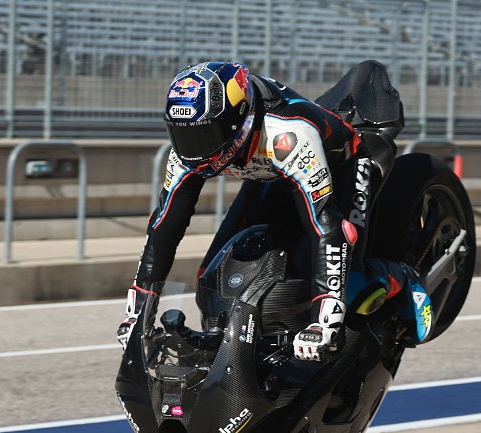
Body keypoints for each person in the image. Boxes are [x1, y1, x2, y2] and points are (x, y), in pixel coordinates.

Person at [117, 61, 431, 360]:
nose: (194, 149)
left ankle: (402, 279)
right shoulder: (186, 154)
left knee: (351, 285)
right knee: (209, 277)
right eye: (183, 135)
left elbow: (326, 227)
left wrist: (323, 323)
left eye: (204, 135)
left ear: (238, 120)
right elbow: (163, 230)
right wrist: (137, 316)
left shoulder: (287, 134)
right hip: (269, 173)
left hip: (347, 164)